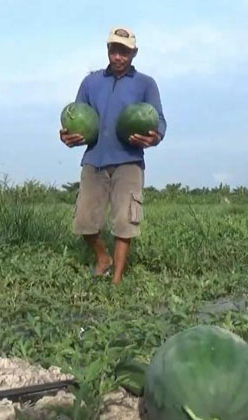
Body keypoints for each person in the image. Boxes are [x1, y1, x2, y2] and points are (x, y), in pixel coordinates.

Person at [59, 26, 167, 285]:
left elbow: (159, 121)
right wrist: (68, 137)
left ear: (134, 53)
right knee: (84, 221)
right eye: (114, 50)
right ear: (108, 50)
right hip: (94, 159)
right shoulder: (91, 82)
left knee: (124, 221)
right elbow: (76, 116)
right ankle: (102, 257)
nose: (118, 57)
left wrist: (154, 137)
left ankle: (116, 281)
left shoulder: (145, 84)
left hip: (129, 160)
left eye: (125, 52)